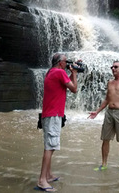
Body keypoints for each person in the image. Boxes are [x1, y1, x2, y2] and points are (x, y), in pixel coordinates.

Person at [37, 53, 78, 192]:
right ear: (60, 62)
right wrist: (75, 73)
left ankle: (47, 175)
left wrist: (71, 72)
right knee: (50, 147)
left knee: (50, 145)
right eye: (66, 62)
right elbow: (74, 89)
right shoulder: (60, 72)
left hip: (48, 114)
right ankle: (42, 180)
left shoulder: (51, 72)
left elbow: (68, 85)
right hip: (53, 115)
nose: (67, 64)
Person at [88, 60, 119, 173]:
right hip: (109, 113)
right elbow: (107, 99)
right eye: (112, 67)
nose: (113, 69)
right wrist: (97, 111)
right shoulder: (110, 82)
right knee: (105, 139)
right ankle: (104, 164)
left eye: (116, 67)